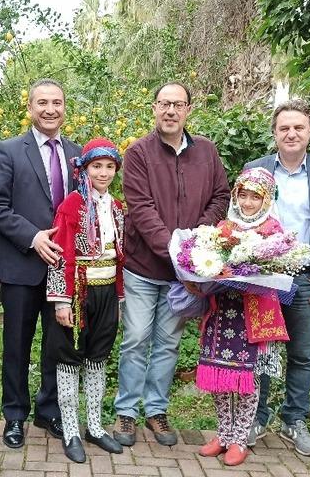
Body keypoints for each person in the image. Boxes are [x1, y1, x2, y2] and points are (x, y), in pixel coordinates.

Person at [114, 82, 230, 447]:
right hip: (144, 267)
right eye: (164, 103)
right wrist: (177, 250)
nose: (170, 111)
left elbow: (220, 196)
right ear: (154, 108)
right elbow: (141, 208)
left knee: (168, 343)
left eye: (178, 104)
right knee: (135, 339)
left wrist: (196, 243)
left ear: (188, 110)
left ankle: (156, 411)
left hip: (183, 275)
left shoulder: (207, 152)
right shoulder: (138, 154)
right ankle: (126, 413)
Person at [244, 99, 310, 456]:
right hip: (262, 278)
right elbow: (239, 222)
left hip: (306, 280)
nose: (291, 133)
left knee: (302, 354)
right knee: (258, 351)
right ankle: (256, 417)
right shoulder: (255, 168)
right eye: (284, 127)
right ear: (274, 132)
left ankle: (294, 420)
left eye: (298, 127)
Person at [0, 78, 79, 447]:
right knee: (17, 345)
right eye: (42, 102)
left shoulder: (77, 152)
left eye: (56, 102)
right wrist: (33, 236)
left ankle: (49, 410)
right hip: (22, 266)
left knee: (58, 345)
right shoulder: (8, 150)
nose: (50, 109)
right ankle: (14, 415)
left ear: (64, 107)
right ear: (30, 107)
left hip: (63, 270)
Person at [195, 168, 290, 466]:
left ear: (267, 199)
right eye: (243, 195)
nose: (248, 203)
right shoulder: (224, 227)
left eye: (256, 197)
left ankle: (240, 438)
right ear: (235, 196)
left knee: (247, 377)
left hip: (253, 314)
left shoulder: (274, 232)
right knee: (220, 374)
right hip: (221, 310)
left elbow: (277, 269)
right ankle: (223, 434)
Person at [45, 138, 125, 463]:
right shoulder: (71, 205)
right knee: (68, 358)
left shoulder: (117, 207)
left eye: (109, 167)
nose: (103, 173)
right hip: (77, 293)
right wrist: (61, 301)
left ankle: (94, 425)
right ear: (85, 169)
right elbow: (59, 255)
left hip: (107, 291)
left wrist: (119, 300)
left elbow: (121, 259)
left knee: (98, 357)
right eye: (97, 167)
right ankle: (70, 430)